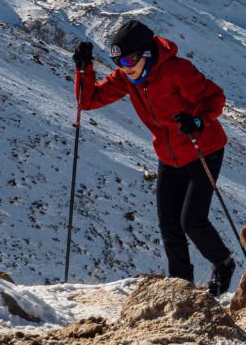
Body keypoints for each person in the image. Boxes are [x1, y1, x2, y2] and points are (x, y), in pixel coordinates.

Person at [74, 20, 236, 296]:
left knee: (192, 221)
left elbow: (214, 97)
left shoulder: (176, 71)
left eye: (127, 59)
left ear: (146, 53)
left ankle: (223, 263)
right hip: (169, 155)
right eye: (117, 61)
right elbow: (88, 101)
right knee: (169, 224)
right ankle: (181, 287)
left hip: (203, 148)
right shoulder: (127, 77)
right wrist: (83, 69)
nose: (123, 66)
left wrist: (197, 120)